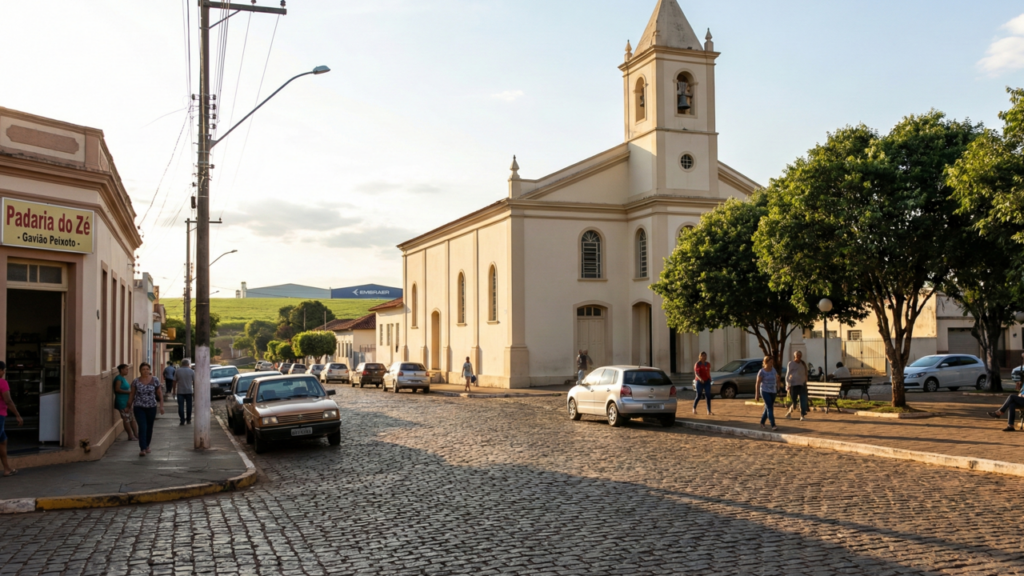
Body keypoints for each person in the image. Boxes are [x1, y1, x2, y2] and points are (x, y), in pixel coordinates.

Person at [127, 363, 164, 457]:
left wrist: (161, 406)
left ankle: (147, 445)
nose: (145, 371)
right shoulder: (136, 381)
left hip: (151, 407)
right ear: (140, 370)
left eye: (147, 369)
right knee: (142, 427)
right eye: (143, 369)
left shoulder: (155, 380)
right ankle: (142, 448)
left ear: (149, 370)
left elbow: (159, 393)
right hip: (139, 407)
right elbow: (132, 394)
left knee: (149, 427)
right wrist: (129, 406)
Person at [0, 361, 24, 477]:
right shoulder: (2, 382)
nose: (4, 372)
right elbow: (8, 401)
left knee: (3, 441)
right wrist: (17, 415)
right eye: (3, 370)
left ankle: (7, 469)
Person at [754, 356, 780, 431]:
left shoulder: (773, 370)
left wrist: (778, 387)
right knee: (770, 407)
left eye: (772, 362)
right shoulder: (762, 371)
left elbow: (777, 377)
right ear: (765, 362)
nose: (771, 364)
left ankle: (762, 422)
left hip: (773, 391)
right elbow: (758, 383)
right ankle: (773, 424)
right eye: (770, 362)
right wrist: (757, 394)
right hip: (765, 391)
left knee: (768, 407)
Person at [113, 364, 138, 441]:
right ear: (121, 370)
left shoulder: (124, 378)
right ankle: (130, 435)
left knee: (132, 418)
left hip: (127, 402)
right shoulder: (118, 378)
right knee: (126, 419)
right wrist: (129, 392)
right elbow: (117, 389)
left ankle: (136, 435)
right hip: (122, 402)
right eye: (126, 369)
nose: (127, 371)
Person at [786, 351, 809, 421]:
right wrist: (788, 384)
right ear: (794, 356)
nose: (798, 356)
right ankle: (789, 412)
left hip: (802, 384)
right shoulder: (791, 363)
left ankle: (802, 415)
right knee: (794, 402)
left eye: (800, 355)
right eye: (797, 355)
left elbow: (805, 374)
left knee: (803, 400)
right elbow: (788, 374)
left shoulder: (803, 364)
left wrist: (806, 381)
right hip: (793, 384)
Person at [173, 358, 196, 426]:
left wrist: (174, 391)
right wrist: (194, 391)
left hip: (180, 391)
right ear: (188, 364)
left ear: (182, 364)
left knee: (181, 406)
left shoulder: (177, 371)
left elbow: (174, 381)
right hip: (189, 391)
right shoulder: (191, 371)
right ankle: (188, 419)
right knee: (189, 406)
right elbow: (195, 382)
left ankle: (182, 420)